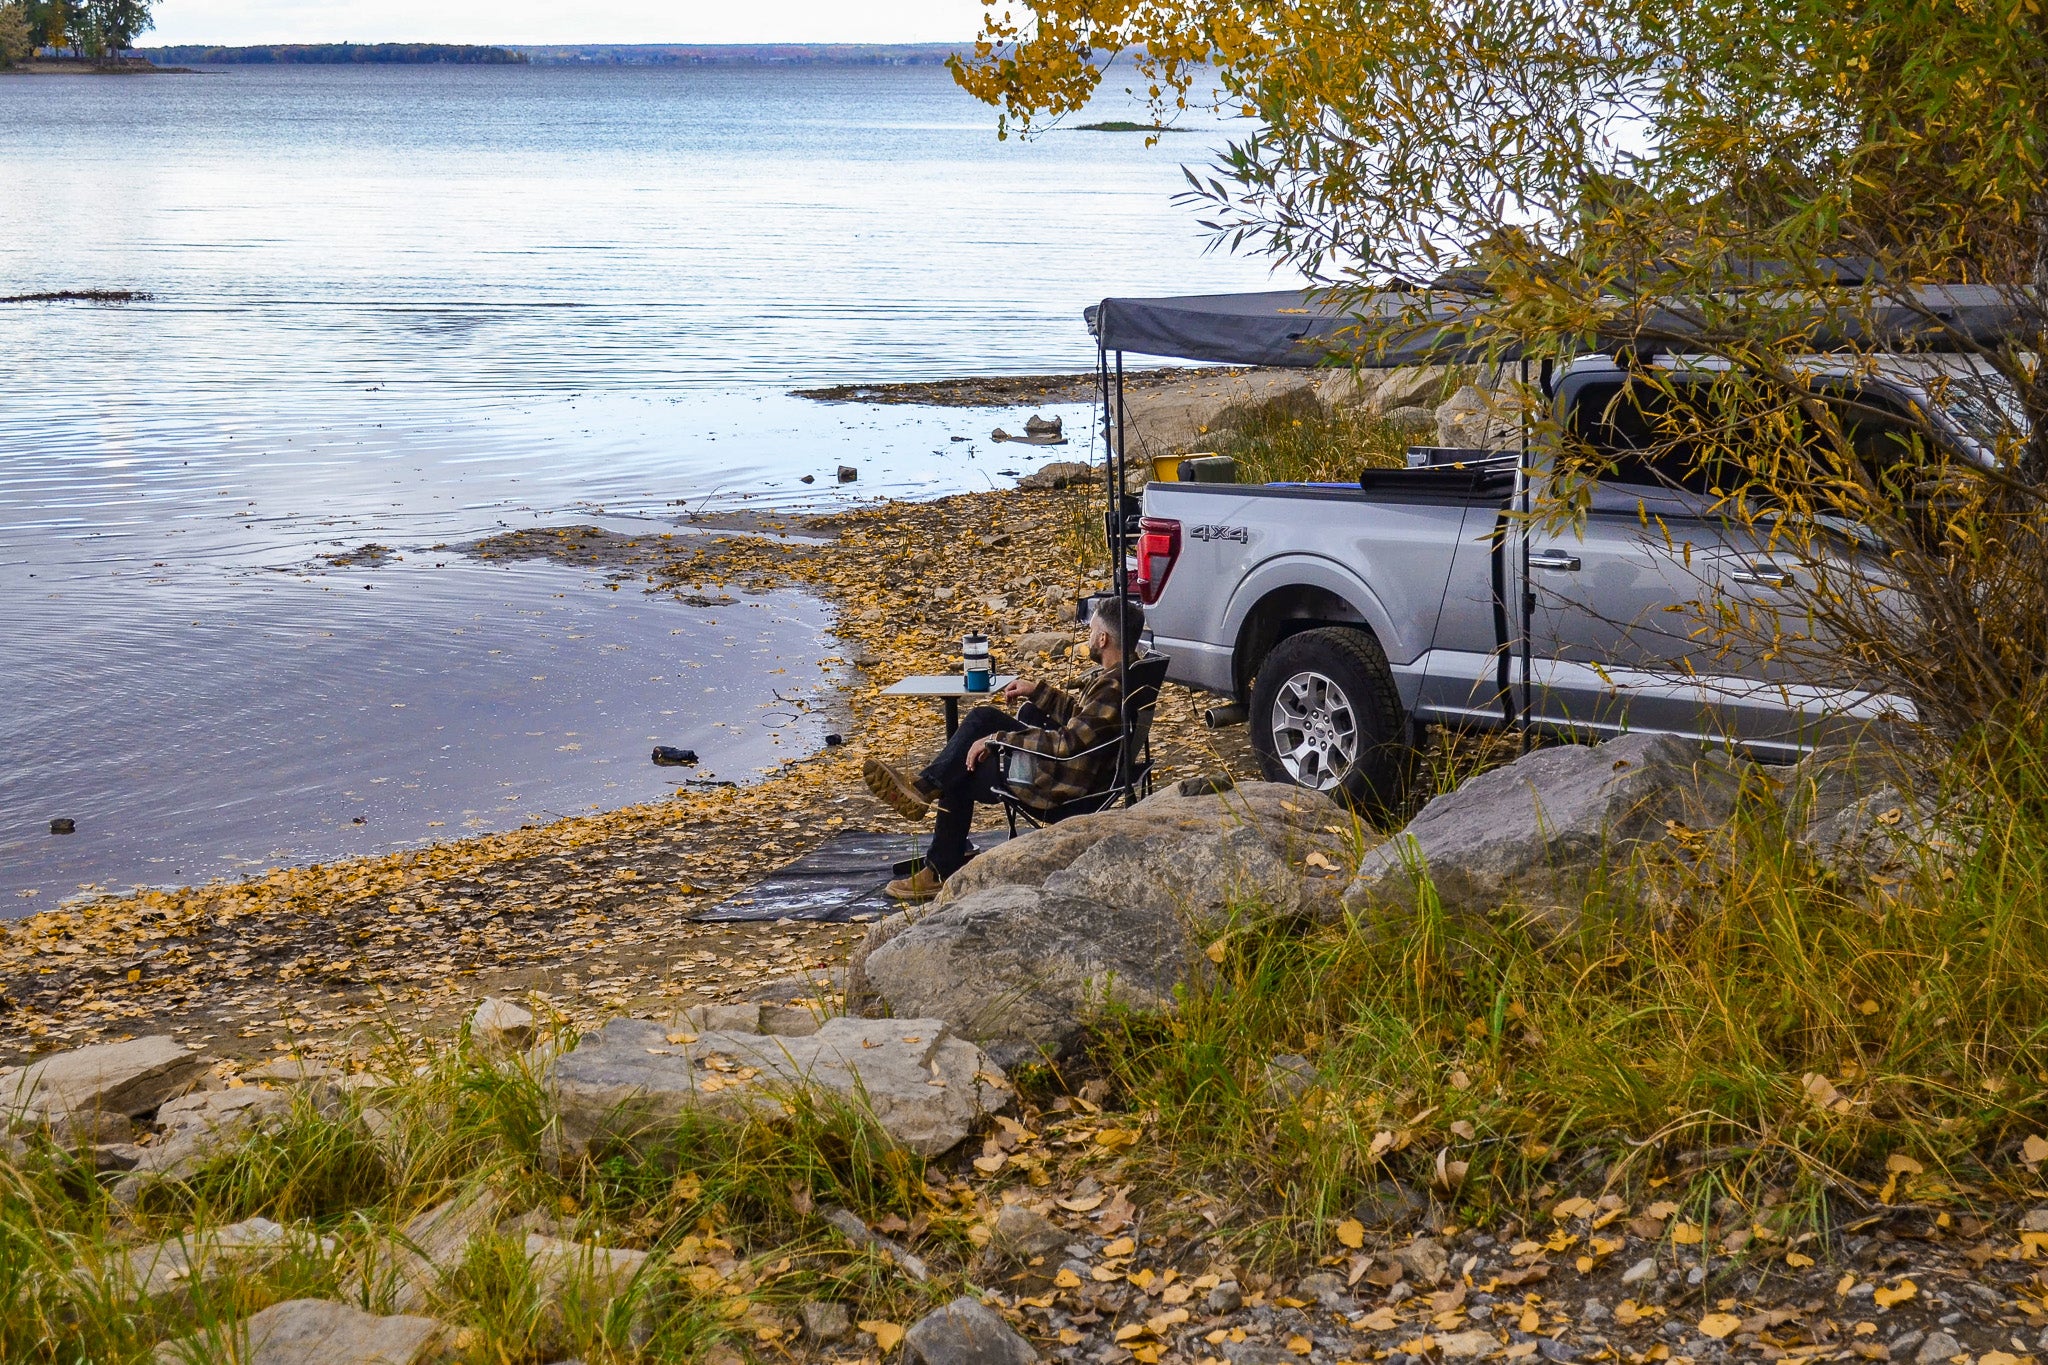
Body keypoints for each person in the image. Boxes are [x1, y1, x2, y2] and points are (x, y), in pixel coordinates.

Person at [863, 596, 1146, 902]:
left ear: (1103, 639)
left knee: (963, 771)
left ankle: (938, 866)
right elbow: (1086, 723)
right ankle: (924, 790)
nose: (1088, 637)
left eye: (1091, 631)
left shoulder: (1112, 687)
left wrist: (997, 740)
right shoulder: (1130, 674)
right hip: (1084, 771)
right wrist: (1037, 691)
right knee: (982, 720)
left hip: (1064, 784)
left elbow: (1069, 744)